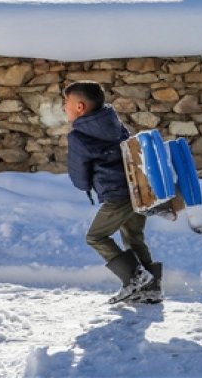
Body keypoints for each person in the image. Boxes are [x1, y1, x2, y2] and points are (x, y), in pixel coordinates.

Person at [63, 80, 162, 304]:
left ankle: (135, 277)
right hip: (136, 188)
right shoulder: (114, 122)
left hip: (117, 194)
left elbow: (79, 174)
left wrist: (84, 185)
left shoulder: (78, 135)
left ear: (80, 107)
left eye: (66, 102)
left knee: (96, 236)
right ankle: (151, 289)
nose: (63, 107)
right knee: (134, 238)